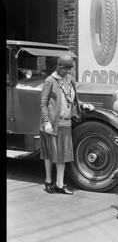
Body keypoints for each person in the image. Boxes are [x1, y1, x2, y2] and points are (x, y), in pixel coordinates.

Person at [40, 55, 94, 195]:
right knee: (50, 154)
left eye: (70, 68)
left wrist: (84, 105)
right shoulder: (50, 81)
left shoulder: (70, 80)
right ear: (60, 67)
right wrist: (46, 122)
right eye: (67, 68)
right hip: (52, 123)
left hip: (66, 123)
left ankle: (59, 183)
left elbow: (73, 100)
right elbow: (44, 103)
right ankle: (48, 181)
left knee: (63, 155)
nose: (69, 71)